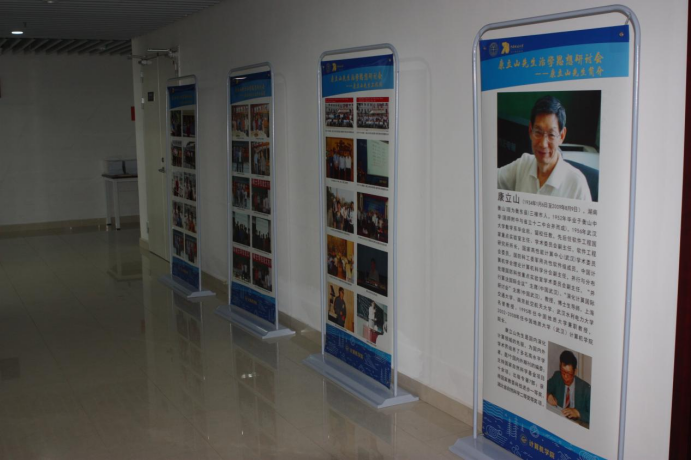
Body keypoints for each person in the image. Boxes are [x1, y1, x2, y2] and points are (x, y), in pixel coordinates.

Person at [497, 96, 592, 201]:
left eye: (551, 134)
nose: (543, 144)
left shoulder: (577, 185)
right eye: (538, 132)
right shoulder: (523, 164)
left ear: (562, 136)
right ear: (530, 131)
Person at [546, 350, 591, 425]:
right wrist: (548, 396)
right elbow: (542, 387)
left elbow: (593, 416)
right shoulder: (557, 376)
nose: (565, 377)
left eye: (568, 374)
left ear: (575, 371)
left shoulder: (586, 389)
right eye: (563, 372)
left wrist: (578, 413)